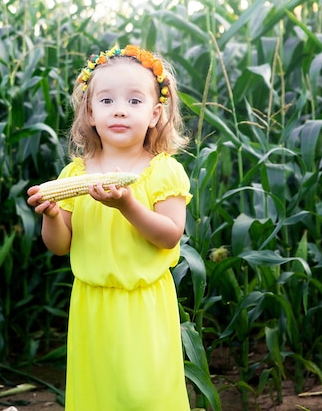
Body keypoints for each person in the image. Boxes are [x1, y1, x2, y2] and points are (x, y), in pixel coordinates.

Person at [27, 44, 192, 411]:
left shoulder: (163, 171)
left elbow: (169, 235)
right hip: (91, 303)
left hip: (144, 303)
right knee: (98, 397)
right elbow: (59, 246)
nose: (119, 109)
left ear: (155, 114)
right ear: (89, 113)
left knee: (146, 396)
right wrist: (52, 216)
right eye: (106, 101)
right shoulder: (74, 174)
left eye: (134, 101)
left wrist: (127, 205)